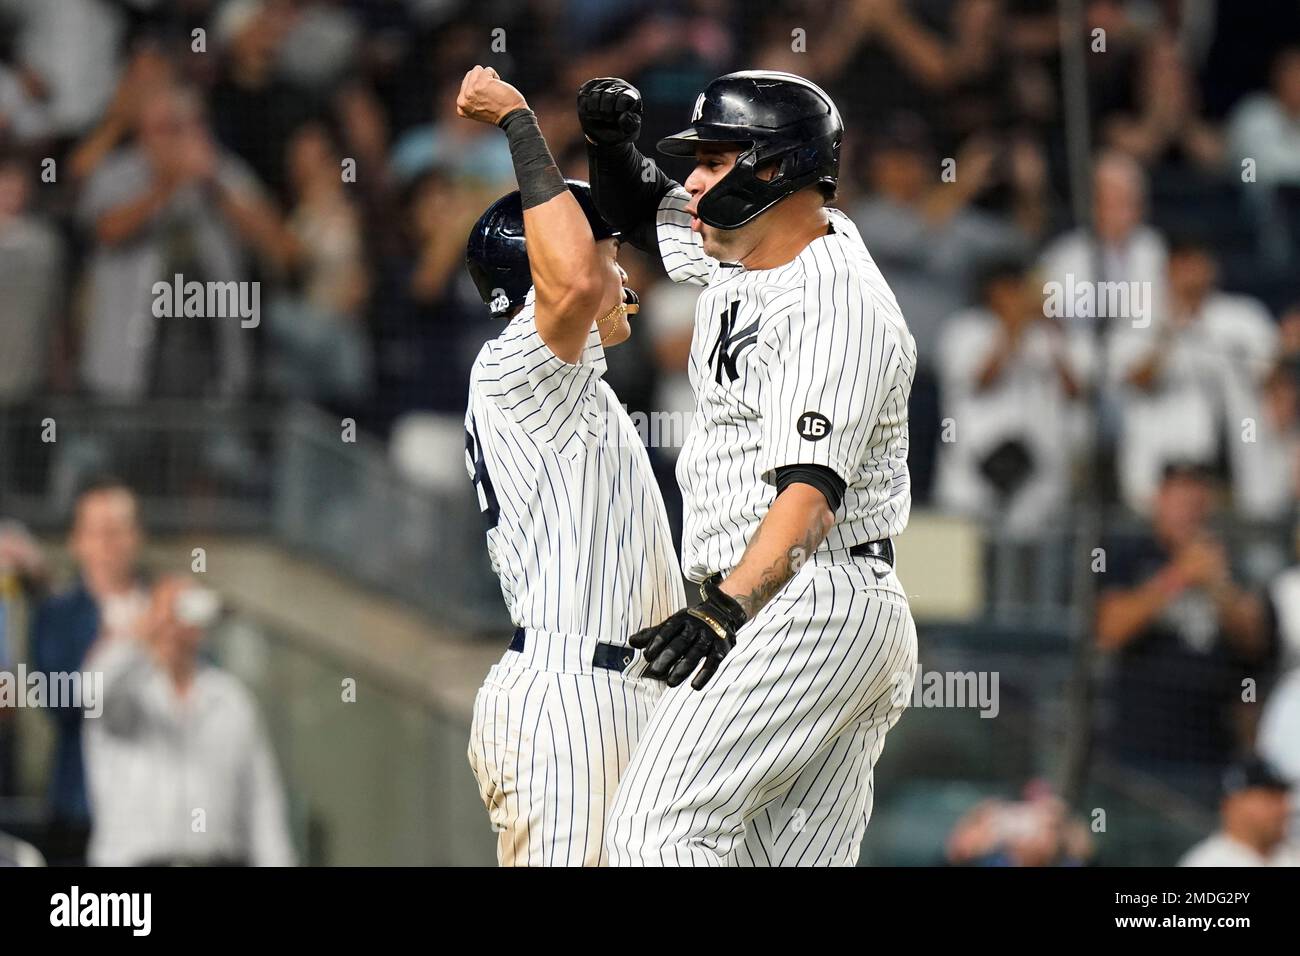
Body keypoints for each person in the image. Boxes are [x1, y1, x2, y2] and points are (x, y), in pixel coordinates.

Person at [581, 71, 918, 866]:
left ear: (777, 166)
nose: (692, 178)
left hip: (807, 596)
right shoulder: (748, 251)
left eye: (713, 157)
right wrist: (609, 147)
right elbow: (639, 207)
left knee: (658, 830)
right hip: (812, 603)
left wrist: (721, 613)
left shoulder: (835, 304)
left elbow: (811, 499)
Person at [454, 66, 685, 866]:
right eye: (603, 248)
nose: (622, 274)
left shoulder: (576, 386)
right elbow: (576, 281)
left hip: (623, 695)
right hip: (570, 699)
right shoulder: (513, 367)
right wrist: (520, 120)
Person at [84, 576, 294, 867]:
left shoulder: (232, 701)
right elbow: (92, 691)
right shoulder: (128, 694)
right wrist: (142, 632)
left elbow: (261, 802)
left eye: (184, 614)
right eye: (169, 613)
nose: (176, 627)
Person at [1096, 463, 1270, 808]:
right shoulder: (1130, 554)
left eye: (1197, 504)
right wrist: (1178, 577)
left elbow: (1254, 640)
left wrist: (1217, 586)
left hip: (1211, 749)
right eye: (1181, 503)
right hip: (1140, 747)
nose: (1189, 514)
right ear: (1158, 502)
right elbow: (1109, 629)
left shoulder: (1228, 561)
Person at [1109, 236, 1278, 514]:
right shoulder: (1138, 318)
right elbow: (1137, 379)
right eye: (1185, 266)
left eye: (1200, 264)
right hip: (1161, 479)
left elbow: (1270, 376)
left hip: (1236, 476)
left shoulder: (1242, 315)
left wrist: (1284, 347)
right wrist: (1171, 330)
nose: (1194, 275)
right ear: (1168, 270)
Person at [30, 477, 149, 865]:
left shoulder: (162, 611)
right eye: (96, 533)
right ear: (76, 541)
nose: (107, 545)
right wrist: (113, 652)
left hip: (156, 811)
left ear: (136, 537)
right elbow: (59, 702)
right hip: (81, 808)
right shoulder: (57, 616)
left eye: (117, 531)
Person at [934, 258, 1088, 536]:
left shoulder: (1045, 333)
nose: (1022, 298)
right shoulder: (965, 329)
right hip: (975, 475)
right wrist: (1013, 327)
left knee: (1035, 566)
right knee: (971, 569)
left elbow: (1075, 391)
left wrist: (1053, 328)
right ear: (993, 291)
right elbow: (982, 380)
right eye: (1013, 289)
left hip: (1035, 478)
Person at [1179, 758, 1298, 866]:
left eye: (1283, 799)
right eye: (1270, 799)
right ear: (1233, 805)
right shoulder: (1206, 862)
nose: (1285, 809)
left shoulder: (1293, 854)